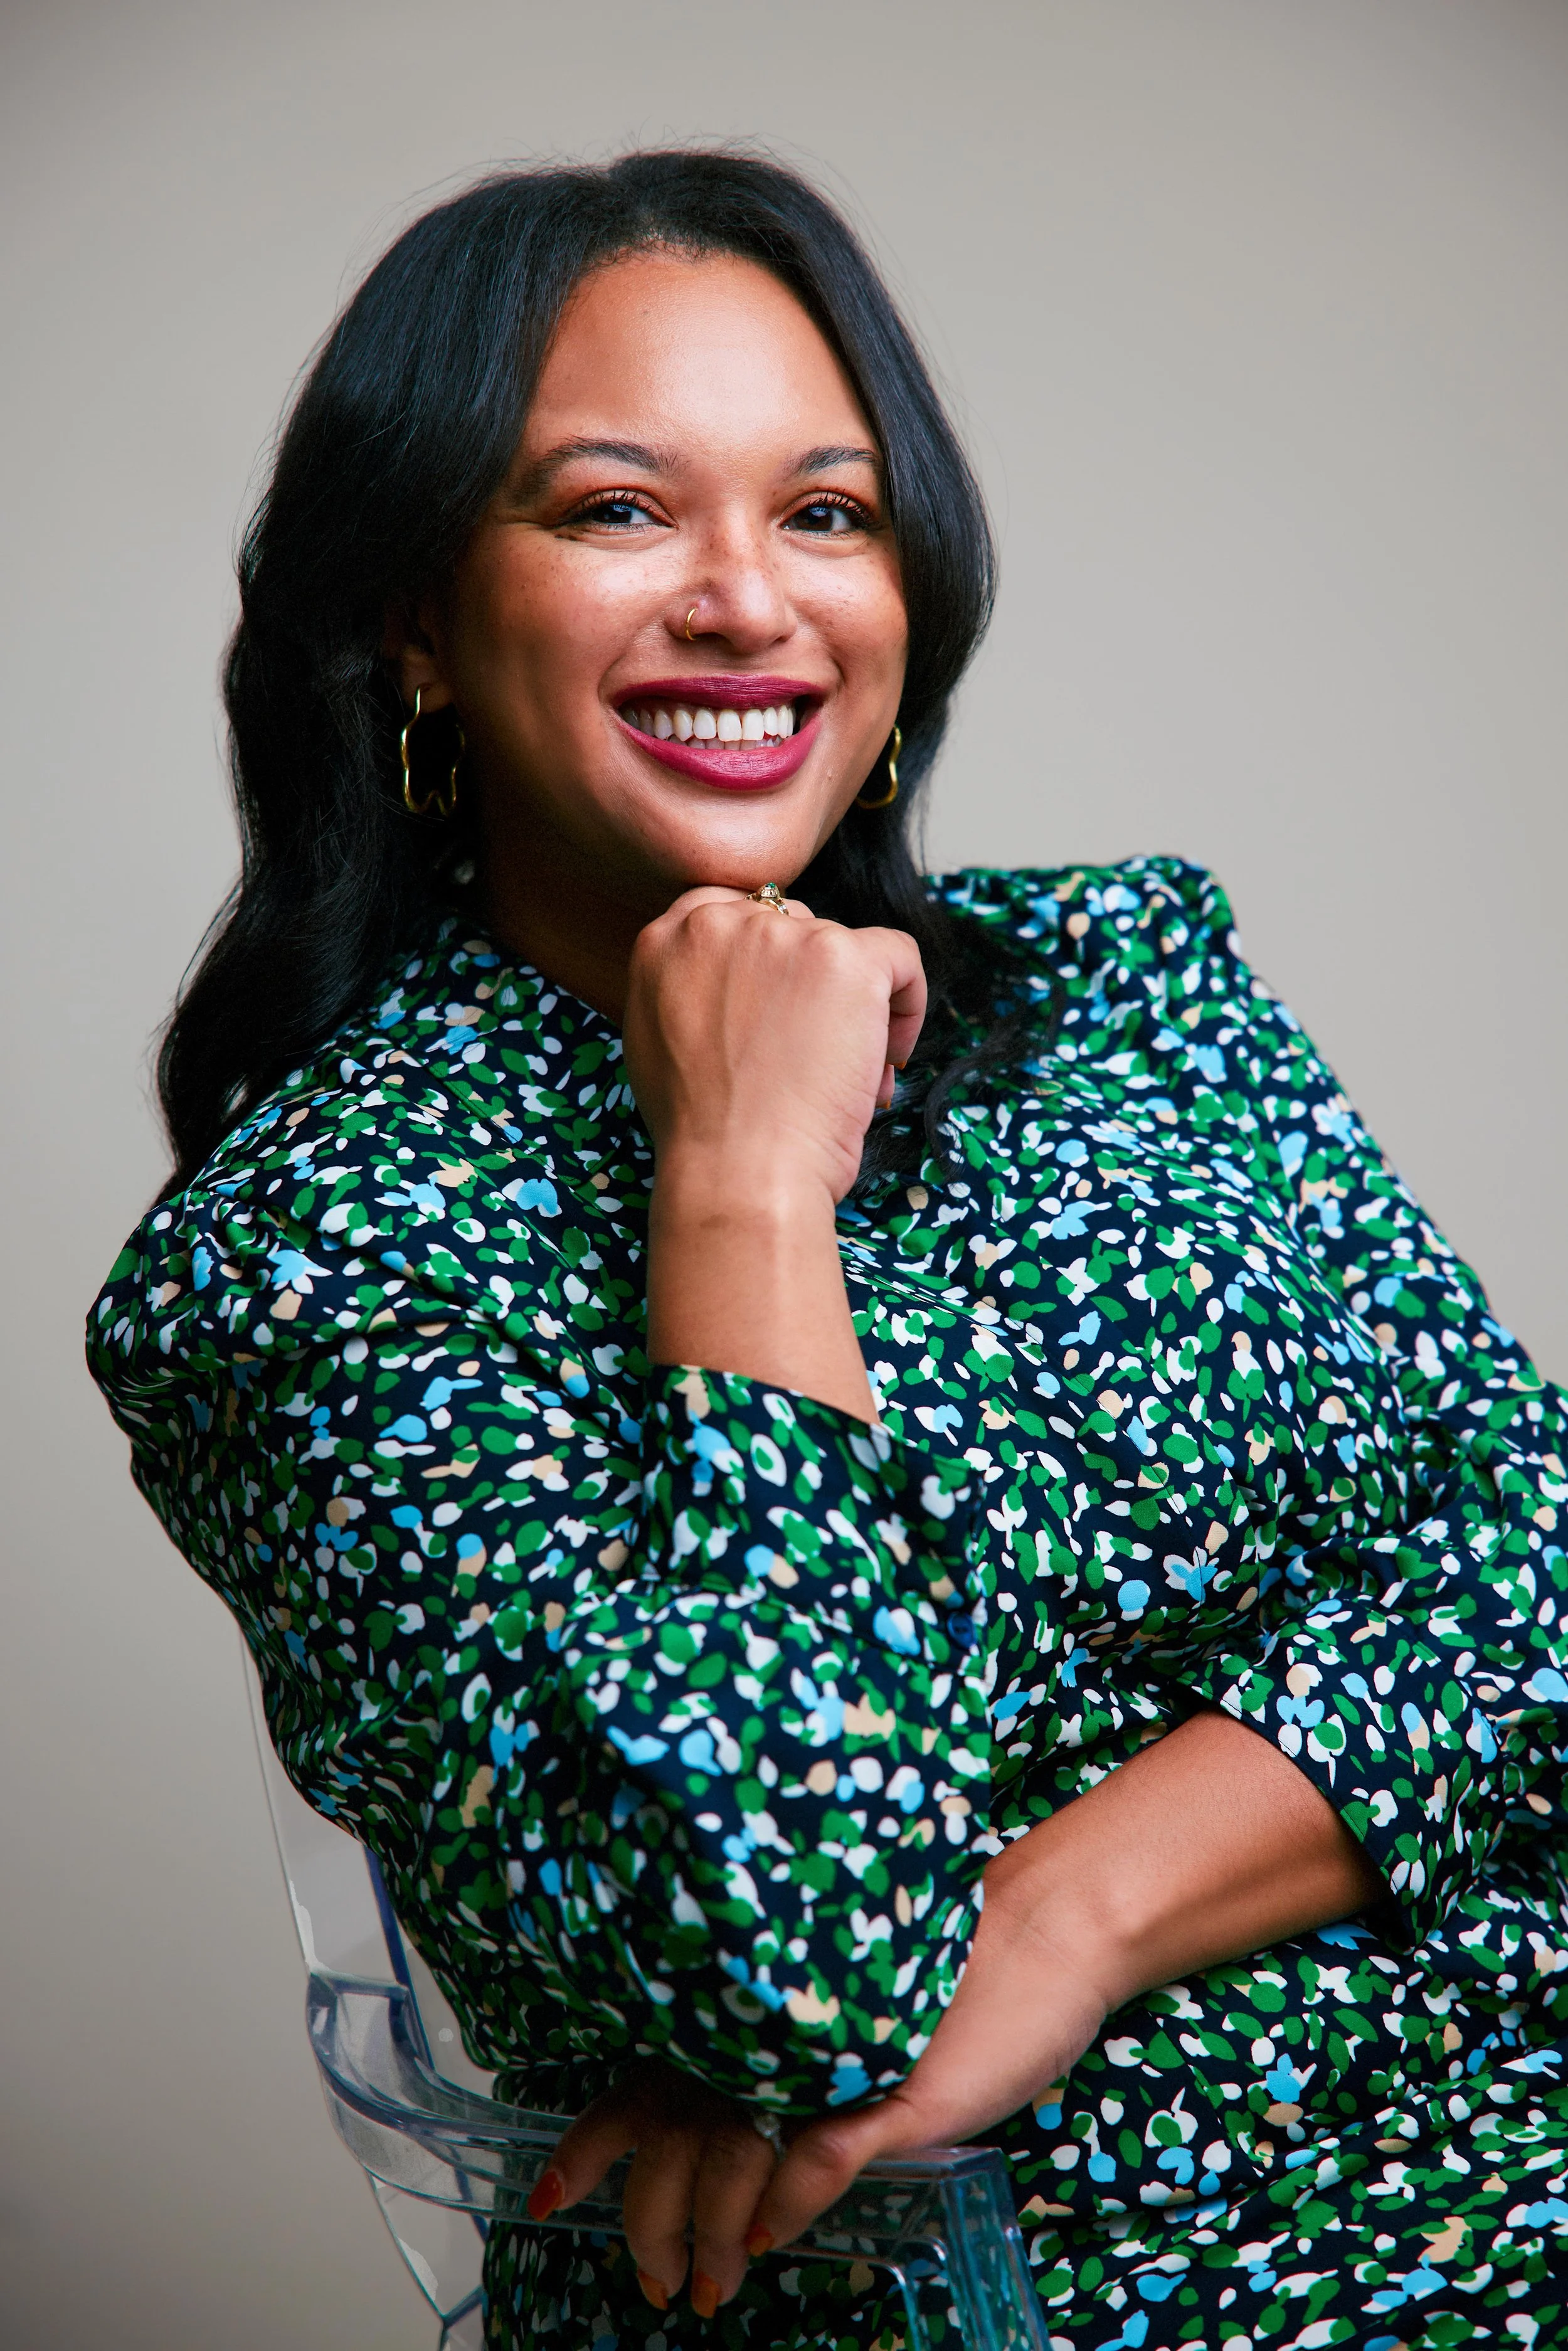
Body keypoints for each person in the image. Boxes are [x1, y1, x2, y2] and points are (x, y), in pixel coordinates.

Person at [88, 149, 1568, 2350]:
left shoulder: (1118, 985)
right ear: (413, 618)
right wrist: (742, 1182)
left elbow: (1529, 1543)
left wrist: (1064, 1916)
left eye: (826, 512)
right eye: (617, 510)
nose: (746, 601)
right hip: (1017, 2298)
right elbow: (785, 1948)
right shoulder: (307, 1255)